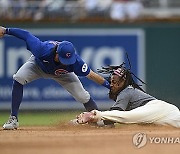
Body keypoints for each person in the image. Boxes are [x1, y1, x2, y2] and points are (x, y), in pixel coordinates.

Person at [0, 26, 110, 130]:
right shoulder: (41, 49)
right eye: (62, 59)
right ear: (56, 52)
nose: (66, 62)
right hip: (37, 66)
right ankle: (13, 119)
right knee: (19, 78)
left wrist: (109, 86)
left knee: (83, 96)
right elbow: (26, 35)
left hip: (63, 74)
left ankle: (98, 119)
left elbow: (91, 75)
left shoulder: (76, 62)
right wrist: (6, 30)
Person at [75, 65, 180, 128]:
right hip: (166, 114)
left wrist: (96, 120)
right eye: (111, 82)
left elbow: (117, 115)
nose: (111, 85)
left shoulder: (126, 91)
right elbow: (112, 121)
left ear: (123, 82)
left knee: (128, 117)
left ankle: (94, 115)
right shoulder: (125, 90)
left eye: (115, 82)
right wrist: (100, 124)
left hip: (157, 108)